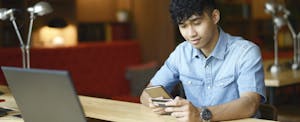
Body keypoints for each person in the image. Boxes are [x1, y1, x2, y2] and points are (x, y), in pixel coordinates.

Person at [140, 0, 266, 121]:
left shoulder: (246, 52)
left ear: (215, 17)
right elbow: (146, 94)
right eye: (183, 26)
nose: (191, 33)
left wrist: (201, 114)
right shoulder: (181, 53)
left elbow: (250, 103)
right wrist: (158, 104)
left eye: (197, 23)